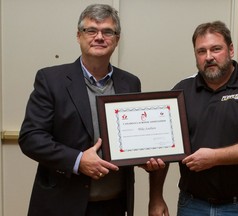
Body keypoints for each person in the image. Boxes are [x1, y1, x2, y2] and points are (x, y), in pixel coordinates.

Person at [19, 4, 164, 216]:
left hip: (114, 205)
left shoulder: (130, 83)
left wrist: (144, 157)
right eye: (91, 30)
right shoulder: (51, 80)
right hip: (62, 205)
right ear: (79, 36)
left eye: (108, 31)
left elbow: (132, 137)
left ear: (117, 39)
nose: (99, 37)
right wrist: (78, 160)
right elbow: (31, 138)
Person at [149, 21, 238, 216]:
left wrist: (215, 157)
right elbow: (163, 148)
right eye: (201, 51)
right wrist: (156, 197)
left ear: (230, 50)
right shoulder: (181, 91)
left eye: (216, 49)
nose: (209, 57)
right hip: (192, 205)